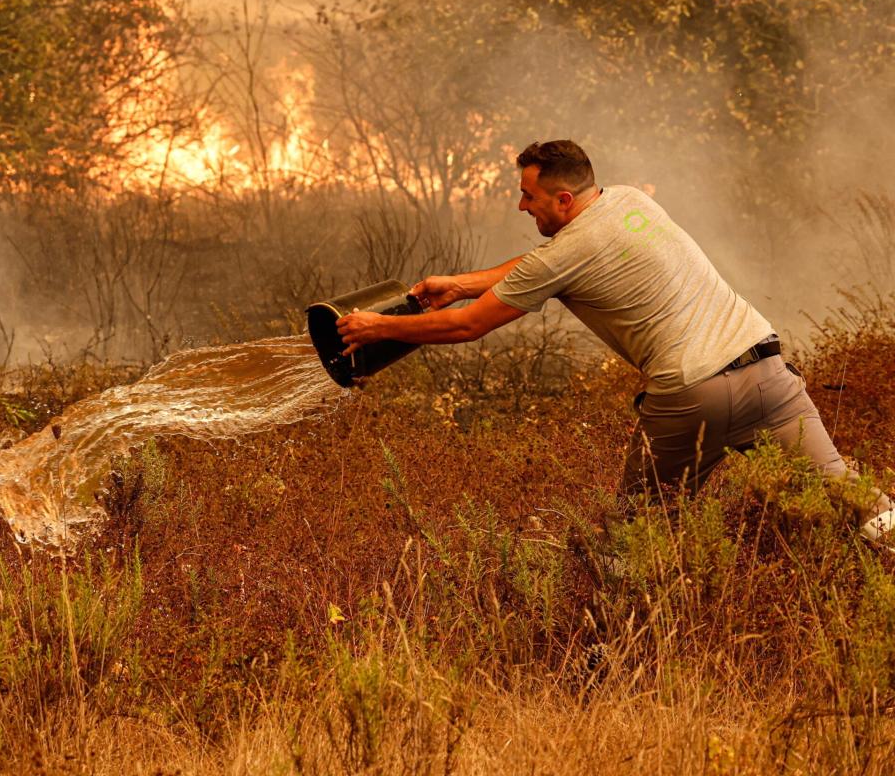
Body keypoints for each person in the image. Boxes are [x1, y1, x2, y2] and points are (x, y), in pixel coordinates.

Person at [336, 139, 894, 548]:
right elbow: (545, 267)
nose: (521, 207)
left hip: (692, 394)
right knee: (854, 501)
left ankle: (616, 658)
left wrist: (376, 327)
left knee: (637, 536)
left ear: (561, 199)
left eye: (527, 197)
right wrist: (460, 283)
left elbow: (467, 326)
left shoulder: (564, 253)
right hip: (768, 372)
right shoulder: (629, 201)